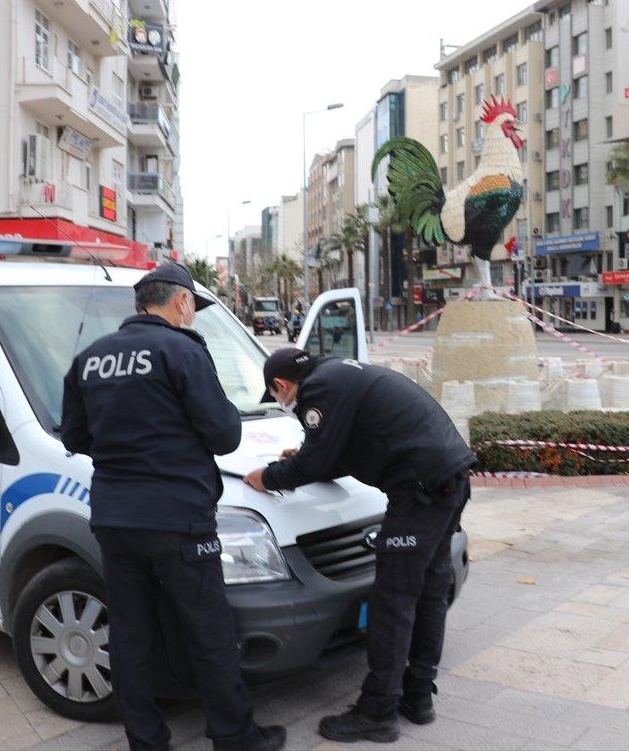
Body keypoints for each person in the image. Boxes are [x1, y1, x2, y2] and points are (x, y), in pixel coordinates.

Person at [60, 262, 285, 751]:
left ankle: (146, 741)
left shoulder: (90, 358)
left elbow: (75, 437)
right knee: (209, 632)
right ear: (181, 301)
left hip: (115, 518)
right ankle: (235, 737)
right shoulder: (181, 350)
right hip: (178, 519)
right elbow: (225, 435)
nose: (193, 316)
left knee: (129, 635)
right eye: (193, 307)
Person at [243, 348, 476, 744]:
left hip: (419, 492)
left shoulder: (318, 390)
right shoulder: (339, 373)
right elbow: (343, 449)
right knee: (429, 591)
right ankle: (418, 696)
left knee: (392, 602)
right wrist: (308, 456)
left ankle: (378, 711)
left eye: (277, 396)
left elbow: (315, 463)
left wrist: (268, 476)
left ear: (280, 385)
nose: (282, 403)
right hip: (449, 480)